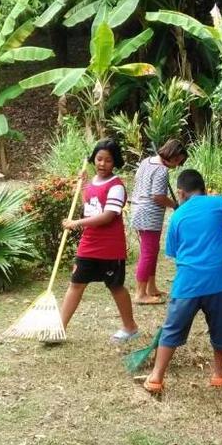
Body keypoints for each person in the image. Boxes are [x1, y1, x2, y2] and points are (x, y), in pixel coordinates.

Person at [143, 169, 222, 394]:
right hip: (219, 282)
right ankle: (220, 374)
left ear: (180, 192)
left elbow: (173, 253)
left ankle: (156, 377)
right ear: (204, 187)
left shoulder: (177, 216)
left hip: (187, 285)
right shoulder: (219, 203)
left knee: (171, 330)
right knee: (221, 329)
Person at [60, 139, 139, 343]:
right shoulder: (93, 182)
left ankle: (130, 327)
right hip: (88, 244)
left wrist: (76, 223)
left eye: (108, 160)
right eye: (99, 159)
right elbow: (90, 206)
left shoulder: (117, 186)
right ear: (93, 159)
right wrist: (84, 184)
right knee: (76, 283)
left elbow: (107, 216)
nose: (102, 164)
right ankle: (59, 329)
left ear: (115, 162)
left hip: (110, 248)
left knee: (115, 286)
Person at [130, 139, 188, 305]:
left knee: (152, 251)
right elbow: (158, 197)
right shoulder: (162, 170)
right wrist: (175, 205)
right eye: (177, 160)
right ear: (170, 154)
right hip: (149, 214)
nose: (177, 165)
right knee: (148, 253)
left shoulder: (146, 161)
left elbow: (138, 182)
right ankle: (140, 294)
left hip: (138, 209)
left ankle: (151, 288)